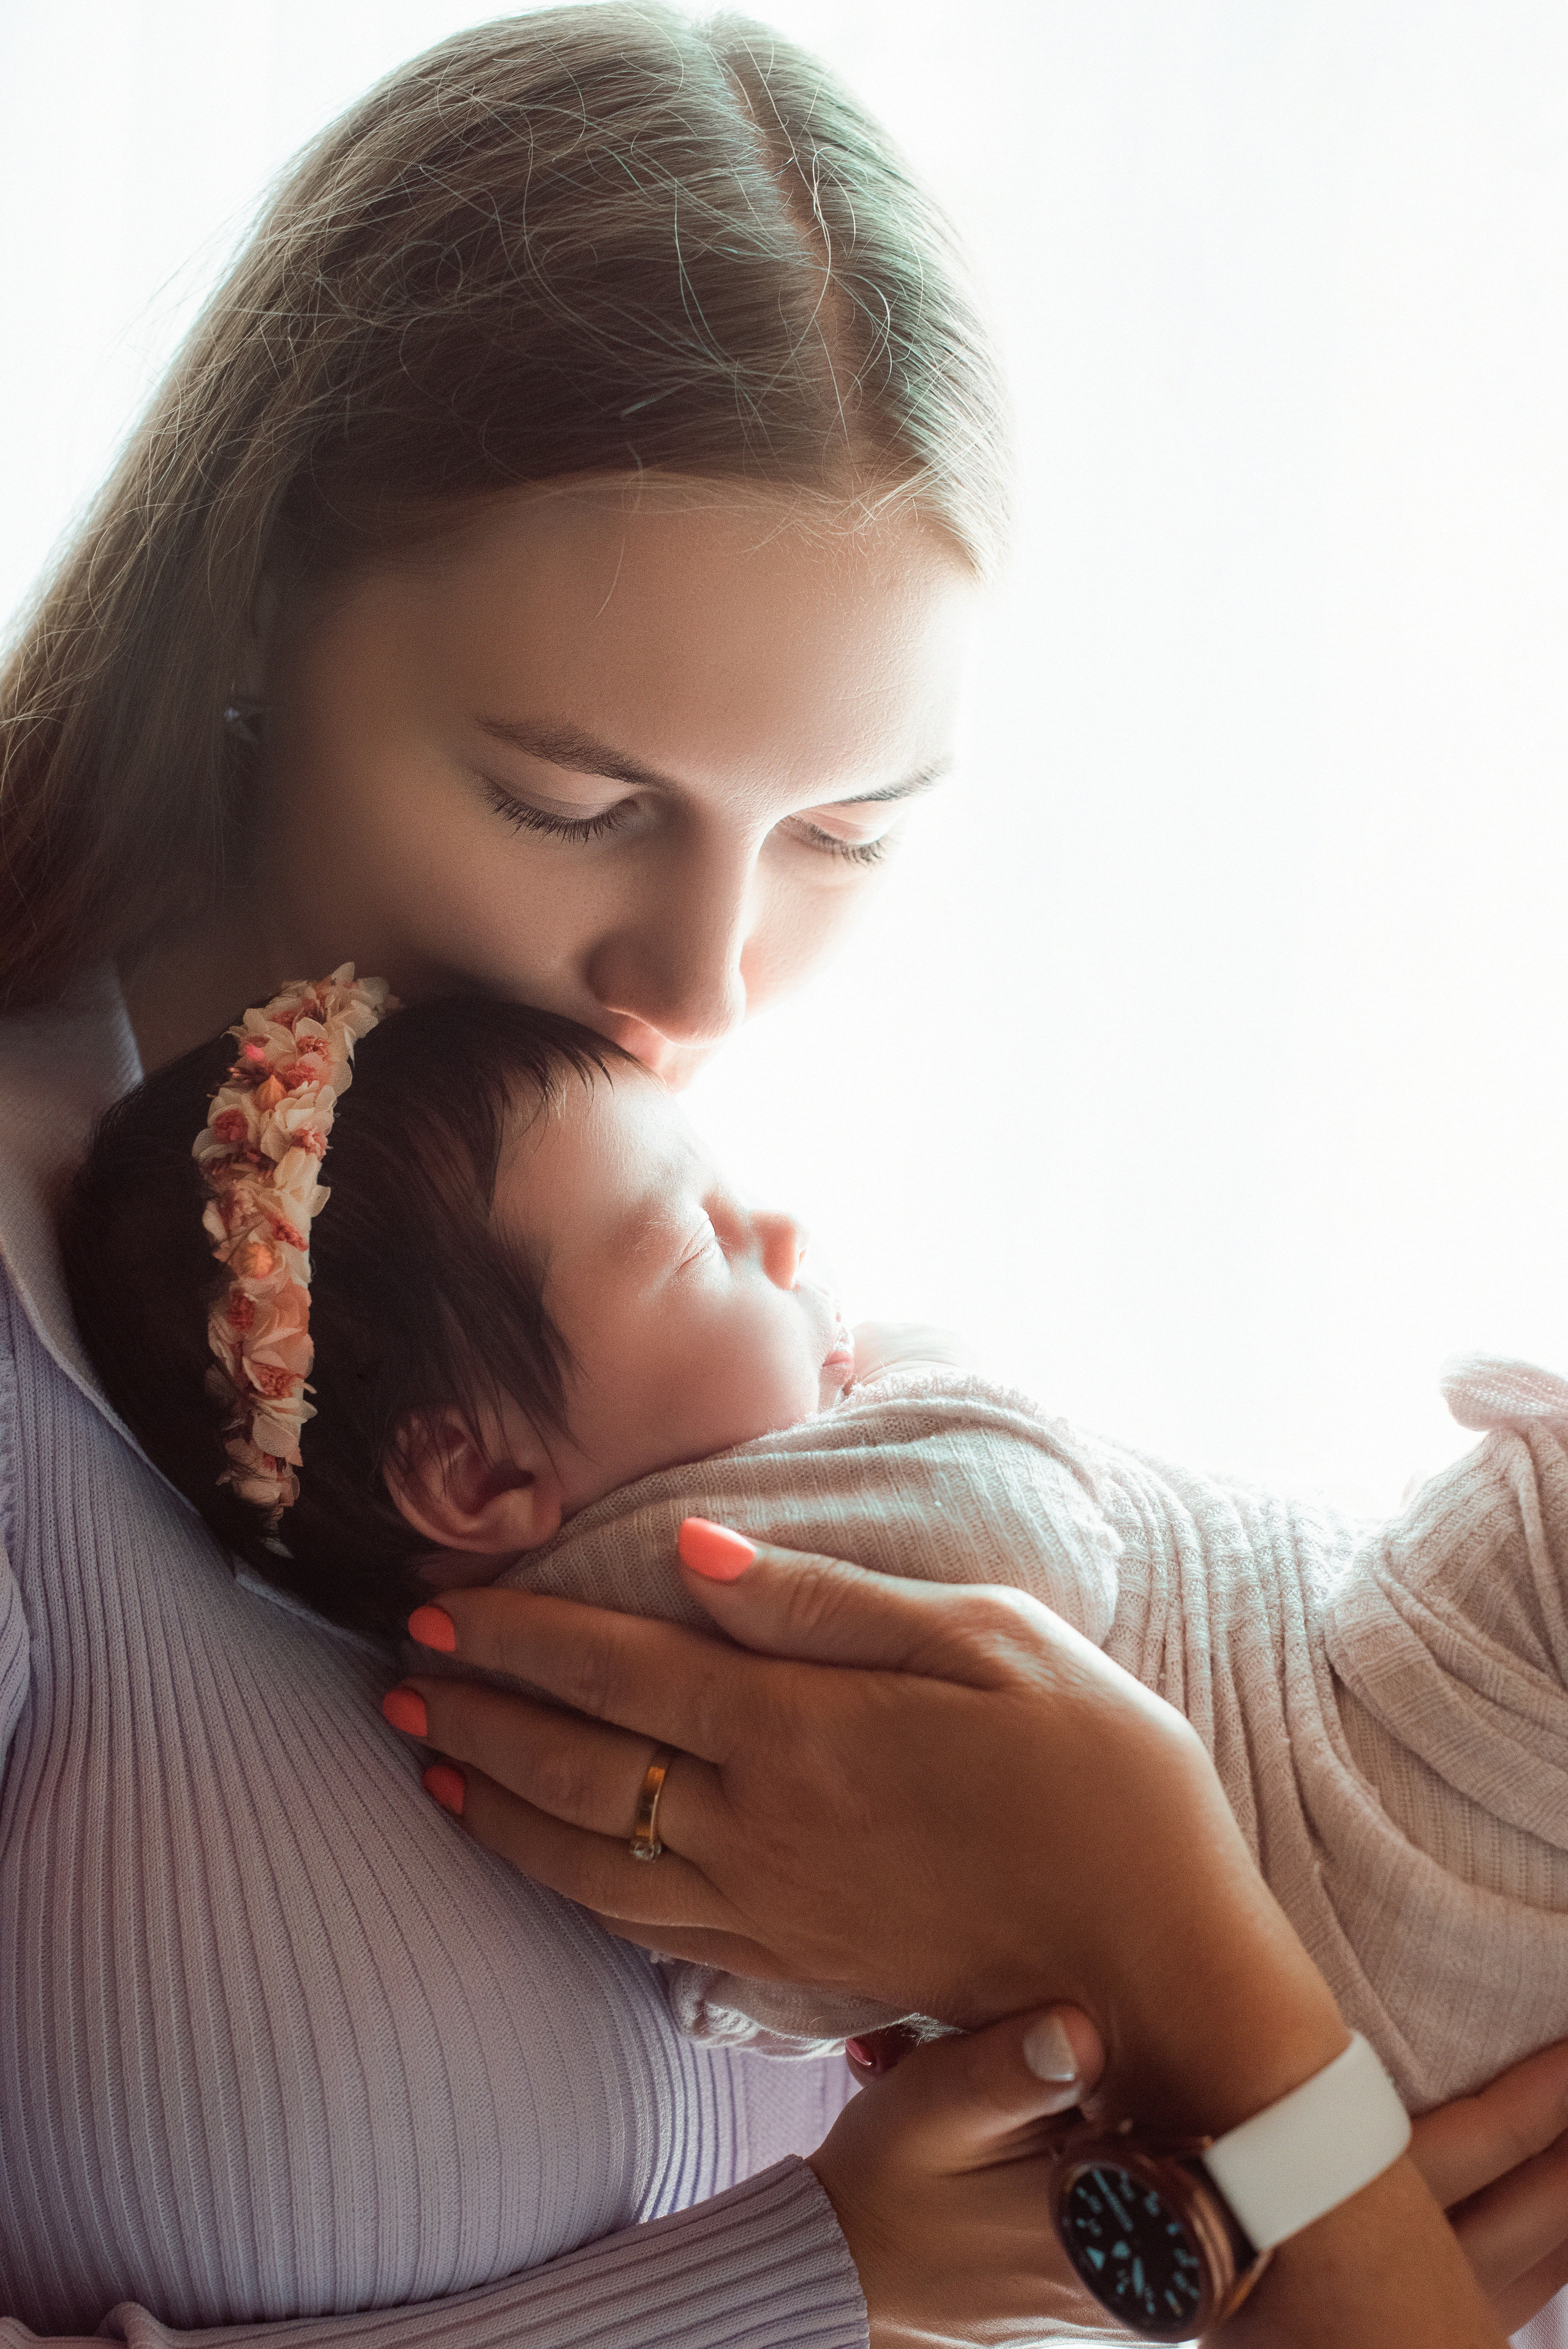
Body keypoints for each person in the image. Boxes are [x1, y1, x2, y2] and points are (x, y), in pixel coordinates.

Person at [0, 7, 1564, 2344]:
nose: (705, 977)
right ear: (254, 610)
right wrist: (834, 2260)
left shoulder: (644, 1290)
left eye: (843, 835)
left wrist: (1208, 2179)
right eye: (571, 800)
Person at [62, 975, 1568, 2125]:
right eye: (693, 1239)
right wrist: (906, 1370)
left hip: (1369, 2028)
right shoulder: (677, 1577)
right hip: (1390, 1744)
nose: (782, 1233)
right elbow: (1028, 1535)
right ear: (473, 1473)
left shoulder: (562, 1693)